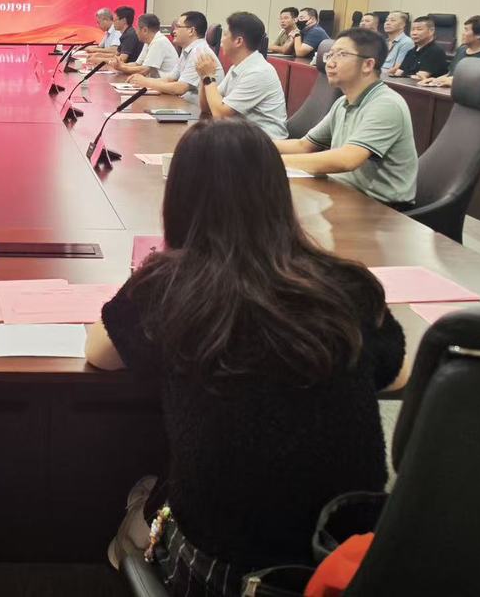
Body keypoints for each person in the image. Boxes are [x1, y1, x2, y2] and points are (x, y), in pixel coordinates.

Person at [86, 119, 406, 594]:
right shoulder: (344, 282)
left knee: (141, 503)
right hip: (347, 567)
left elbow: (99, 353)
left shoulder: (168, 284)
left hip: (227, 575)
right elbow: (397, 376)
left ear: (178, 201)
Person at [276, 28, 417, 207]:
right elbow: (303, 145)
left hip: (381, 206)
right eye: (330, 55)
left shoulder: (386, 104)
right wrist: (255, 146)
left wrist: (274, 162)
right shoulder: (343, 102)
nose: (330, 63)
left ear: (368, 65)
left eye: (341, 55)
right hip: (343, 191)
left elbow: (347, 159)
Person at [197, 11, 287, 138]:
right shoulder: (238, 66)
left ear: (238, 41)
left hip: (265, 142)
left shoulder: (258, 72)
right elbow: (207, 108)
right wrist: (204, 76)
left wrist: (208, 77)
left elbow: (220, 115)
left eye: (225, 35)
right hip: (242, 137)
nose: (221, 40)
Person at [128, 11, 222, 97]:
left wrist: (145, 82)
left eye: (178, 27)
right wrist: (141, 80)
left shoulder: (200, 52)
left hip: (196, 108)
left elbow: (180, 88)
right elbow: (170, 79)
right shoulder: (187, 50)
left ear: (191, 31)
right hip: (185, 103)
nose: (173, 31)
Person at [419, 15, 480, 88]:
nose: (463, 33)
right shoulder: (461, 49)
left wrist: (452, 82)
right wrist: (435, 80)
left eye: (466, 30)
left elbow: (478, 84)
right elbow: (450, 74)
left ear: (478, 35)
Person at [115, 14, 178, 78]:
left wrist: (121, 68)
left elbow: (145, 70)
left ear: (145, 30)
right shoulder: (148, 41)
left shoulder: (159, 42)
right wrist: (120, 64)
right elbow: (137, 64)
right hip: (156, 81)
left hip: (166, 82)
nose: (136, 32)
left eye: (137, 28)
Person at [391, 16, 449, 80]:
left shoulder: (436, 51)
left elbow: (420, 77)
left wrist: (404, 75)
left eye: (419, 29)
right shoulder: (411, 51)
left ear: (431, 31)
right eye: (413, 29)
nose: (414, 33)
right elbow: (399, 73)